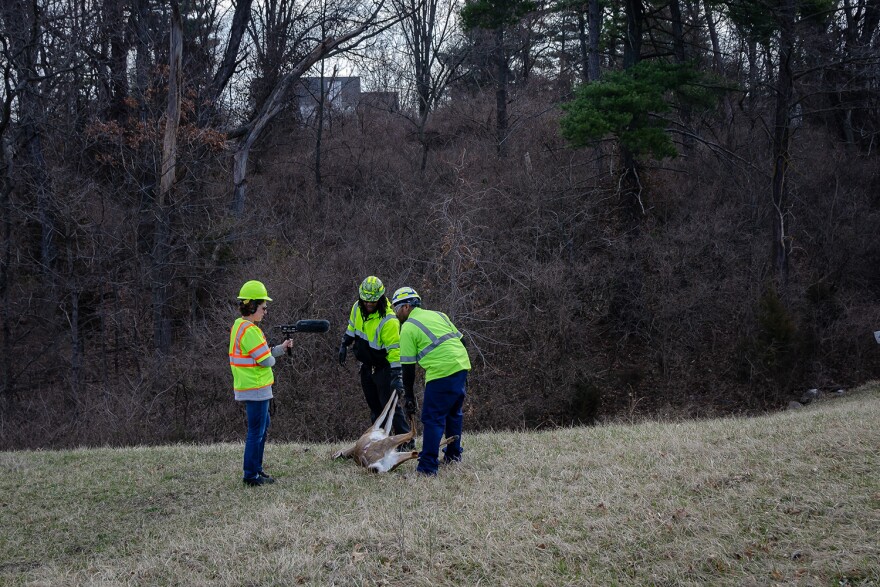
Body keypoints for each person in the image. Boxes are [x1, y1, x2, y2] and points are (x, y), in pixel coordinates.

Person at [392, 286, 471, 476]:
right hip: (461, 365)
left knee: (432, 418)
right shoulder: (439, 315)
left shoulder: (408, 328)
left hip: (442, 372)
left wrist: (409, 396)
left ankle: (427, 467)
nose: (395, 314)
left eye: (396, 309)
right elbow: (463, 341)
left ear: (406, 307)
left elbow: (408, 368)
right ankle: (453, 455)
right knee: (453, 413)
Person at [228, 280, 293, 487]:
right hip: (255, 387)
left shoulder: (242, 326)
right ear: (253, 306)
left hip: (254, 387)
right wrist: (273, 357)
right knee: (256, 431)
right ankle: (251, 475)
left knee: (262, 427)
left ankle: (256, 470)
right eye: (264, 307)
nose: (266, 311)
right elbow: (266, 360)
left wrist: (281, 348)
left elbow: (264, 354)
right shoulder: (250, 331)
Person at [338, 276, 411, 442]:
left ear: (380, 298)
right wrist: (345, 343)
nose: (369, 304)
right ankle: (380, 441)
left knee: (391, 407)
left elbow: (394, 351)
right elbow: (352, 326)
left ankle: (406, 441)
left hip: (384, 368)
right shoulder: (357, 307)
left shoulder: (389, 320)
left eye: (373, 301)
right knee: (374, 408)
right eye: (365, 301)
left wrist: (397, 376)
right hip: (366, 366)